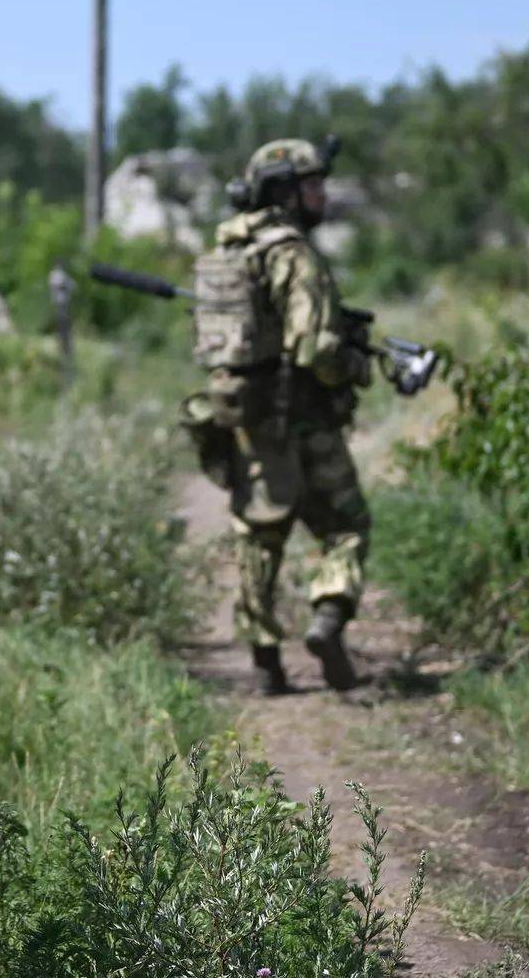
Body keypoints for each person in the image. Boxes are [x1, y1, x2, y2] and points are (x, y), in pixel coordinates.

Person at [187, 137, 372, 694]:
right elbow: (314, 348)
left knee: (258, 538)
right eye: (312, 185)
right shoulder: (292, 251)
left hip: (247, 417)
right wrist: (355, 366)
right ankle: (328, 619)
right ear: (286, 192)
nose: (322, 195)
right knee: (344, 525)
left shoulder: (231, 248)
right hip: (305, 415)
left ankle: (266, 662)